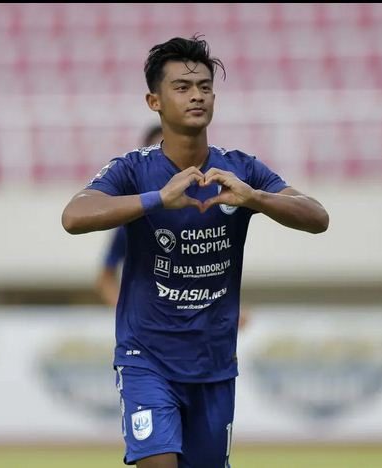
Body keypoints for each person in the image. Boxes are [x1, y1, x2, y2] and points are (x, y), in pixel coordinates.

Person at [62, 34, 329, 468]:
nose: (197, 95)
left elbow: (317, 217)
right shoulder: (133, 169)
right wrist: (157, 200)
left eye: (205, 87)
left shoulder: (241, 169)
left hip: (214, 362)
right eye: (182, 87)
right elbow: (74, 216)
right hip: (146, 358)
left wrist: (255, 198)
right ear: (154, 101)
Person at [96, 124, 163, 307]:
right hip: (150, 319)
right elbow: (105, 277)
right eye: (156, 156)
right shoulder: (132, 220)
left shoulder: (205, 208)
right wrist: (126, 310)